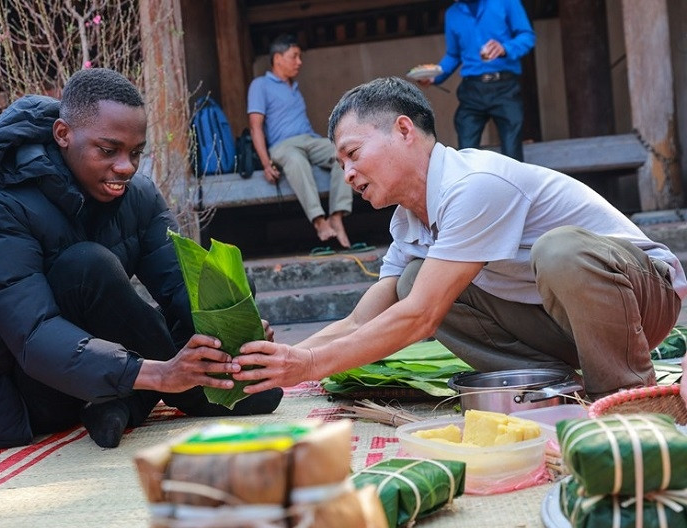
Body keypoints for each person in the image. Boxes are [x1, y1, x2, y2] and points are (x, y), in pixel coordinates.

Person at [232, 76, 687, 402]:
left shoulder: (473, 184)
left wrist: (313, 367)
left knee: (558, 251)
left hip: (642, 300)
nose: (348, 173)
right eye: (341, 163)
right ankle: (549, 386)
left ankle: (625, 397)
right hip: (561, 323)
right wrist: (285, 358)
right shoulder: (407, 222)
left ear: (404, 130)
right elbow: (360, 321)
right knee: (412, 281)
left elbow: (421, 317)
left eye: (353, 153)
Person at [0, 68, 282, 450]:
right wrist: (159, 374)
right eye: (109, 151)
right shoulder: (3, 209)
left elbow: (181, 285)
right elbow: (33, 335)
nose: (126, 166)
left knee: (221, 290)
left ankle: (124, 402)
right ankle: (164, 392)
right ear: (63, 134)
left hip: (92, 371)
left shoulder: (139, 197)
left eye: (136, 152)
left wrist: (237, 329)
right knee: (87, 266)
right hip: (10, 389)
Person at [247, 33, 353, 248]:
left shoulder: (294, 87)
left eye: (299, 57)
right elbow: (255, 127)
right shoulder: (260, 85)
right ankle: (319, 221)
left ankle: (337, 216)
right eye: (294, 56)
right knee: (296, 161)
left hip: (309, 141)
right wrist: (266, 164)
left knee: (343, 152)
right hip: (283, 146)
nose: (299, 62)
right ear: (278, 58)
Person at [417, 0, 535, 161]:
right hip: (472, 88)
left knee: (511, 148)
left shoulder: (507, 2)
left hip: (505, 86)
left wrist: (505, 48)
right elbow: (453, 55)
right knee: (467, 149)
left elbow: (527, 36)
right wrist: (435, 76)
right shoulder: (452, 13)